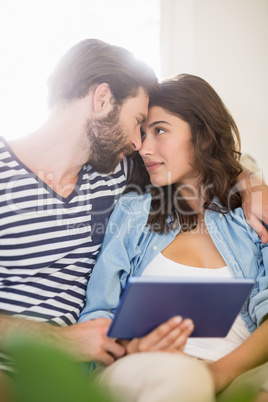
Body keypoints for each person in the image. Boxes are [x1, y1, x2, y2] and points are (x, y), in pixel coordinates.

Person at [79, 74, 268, 401]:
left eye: (160, 131)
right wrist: (127, 347)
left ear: (203, 137)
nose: (144, 148)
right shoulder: (134, 211)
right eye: (142, 134)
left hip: (234, 373)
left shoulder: (252, 214)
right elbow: (99, 312)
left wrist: (215, 374)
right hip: (144, 369)